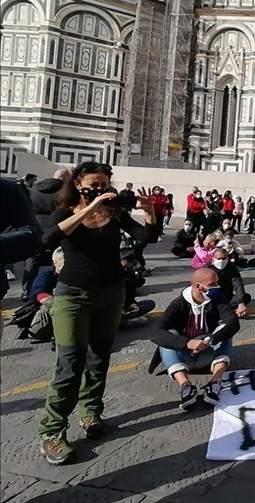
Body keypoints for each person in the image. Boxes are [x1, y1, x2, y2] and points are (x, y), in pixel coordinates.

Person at [36, 163, 155, 465]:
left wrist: (150, 210)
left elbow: (147, 236)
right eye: (93, 183)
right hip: (73, 295)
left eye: (104, 183)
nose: (100, 189)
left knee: (99, 357)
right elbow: (48, 239)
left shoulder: (114, 214)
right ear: (78, 183)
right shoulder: (63, 213)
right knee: (69, 362)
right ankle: (52, 431)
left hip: (111, 293)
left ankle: (90, 412)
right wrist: (88, 210)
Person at [150, 268, 240, 410]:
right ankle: (186, 386)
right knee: (169, 334)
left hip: (208, 353)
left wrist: (210, 339)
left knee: (226, 332)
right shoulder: (178, 304)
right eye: (212, 284)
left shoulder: (218, 299)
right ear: (198, 286)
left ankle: (215, 382)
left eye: (217, 282)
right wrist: (187, 343)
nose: (217, 286)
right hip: (183, 357)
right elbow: (156, 332)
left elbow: (233, 322)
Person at [21, 168, 71, 299]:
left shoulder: (36, 188)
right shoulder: (65, 190)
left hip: (35, 226)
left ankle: (27, 290)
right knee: (58, 259)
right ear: (65, 178)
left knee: (32, 260)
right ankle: (54, 289)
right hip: (56, 226)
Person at [207, 248, 251, 317]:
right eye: (219, 259)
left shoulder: (231, 267)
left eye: (224, 258)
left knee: (246, 297)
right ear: (213, 258)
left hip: (227, 296)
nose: (221, 261)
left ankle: (224, 309)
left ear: (227, 258)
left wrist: (241, 303)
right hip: (211, 296)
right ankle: (224, 310)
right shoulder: (207, 268)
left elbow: (238, 285)